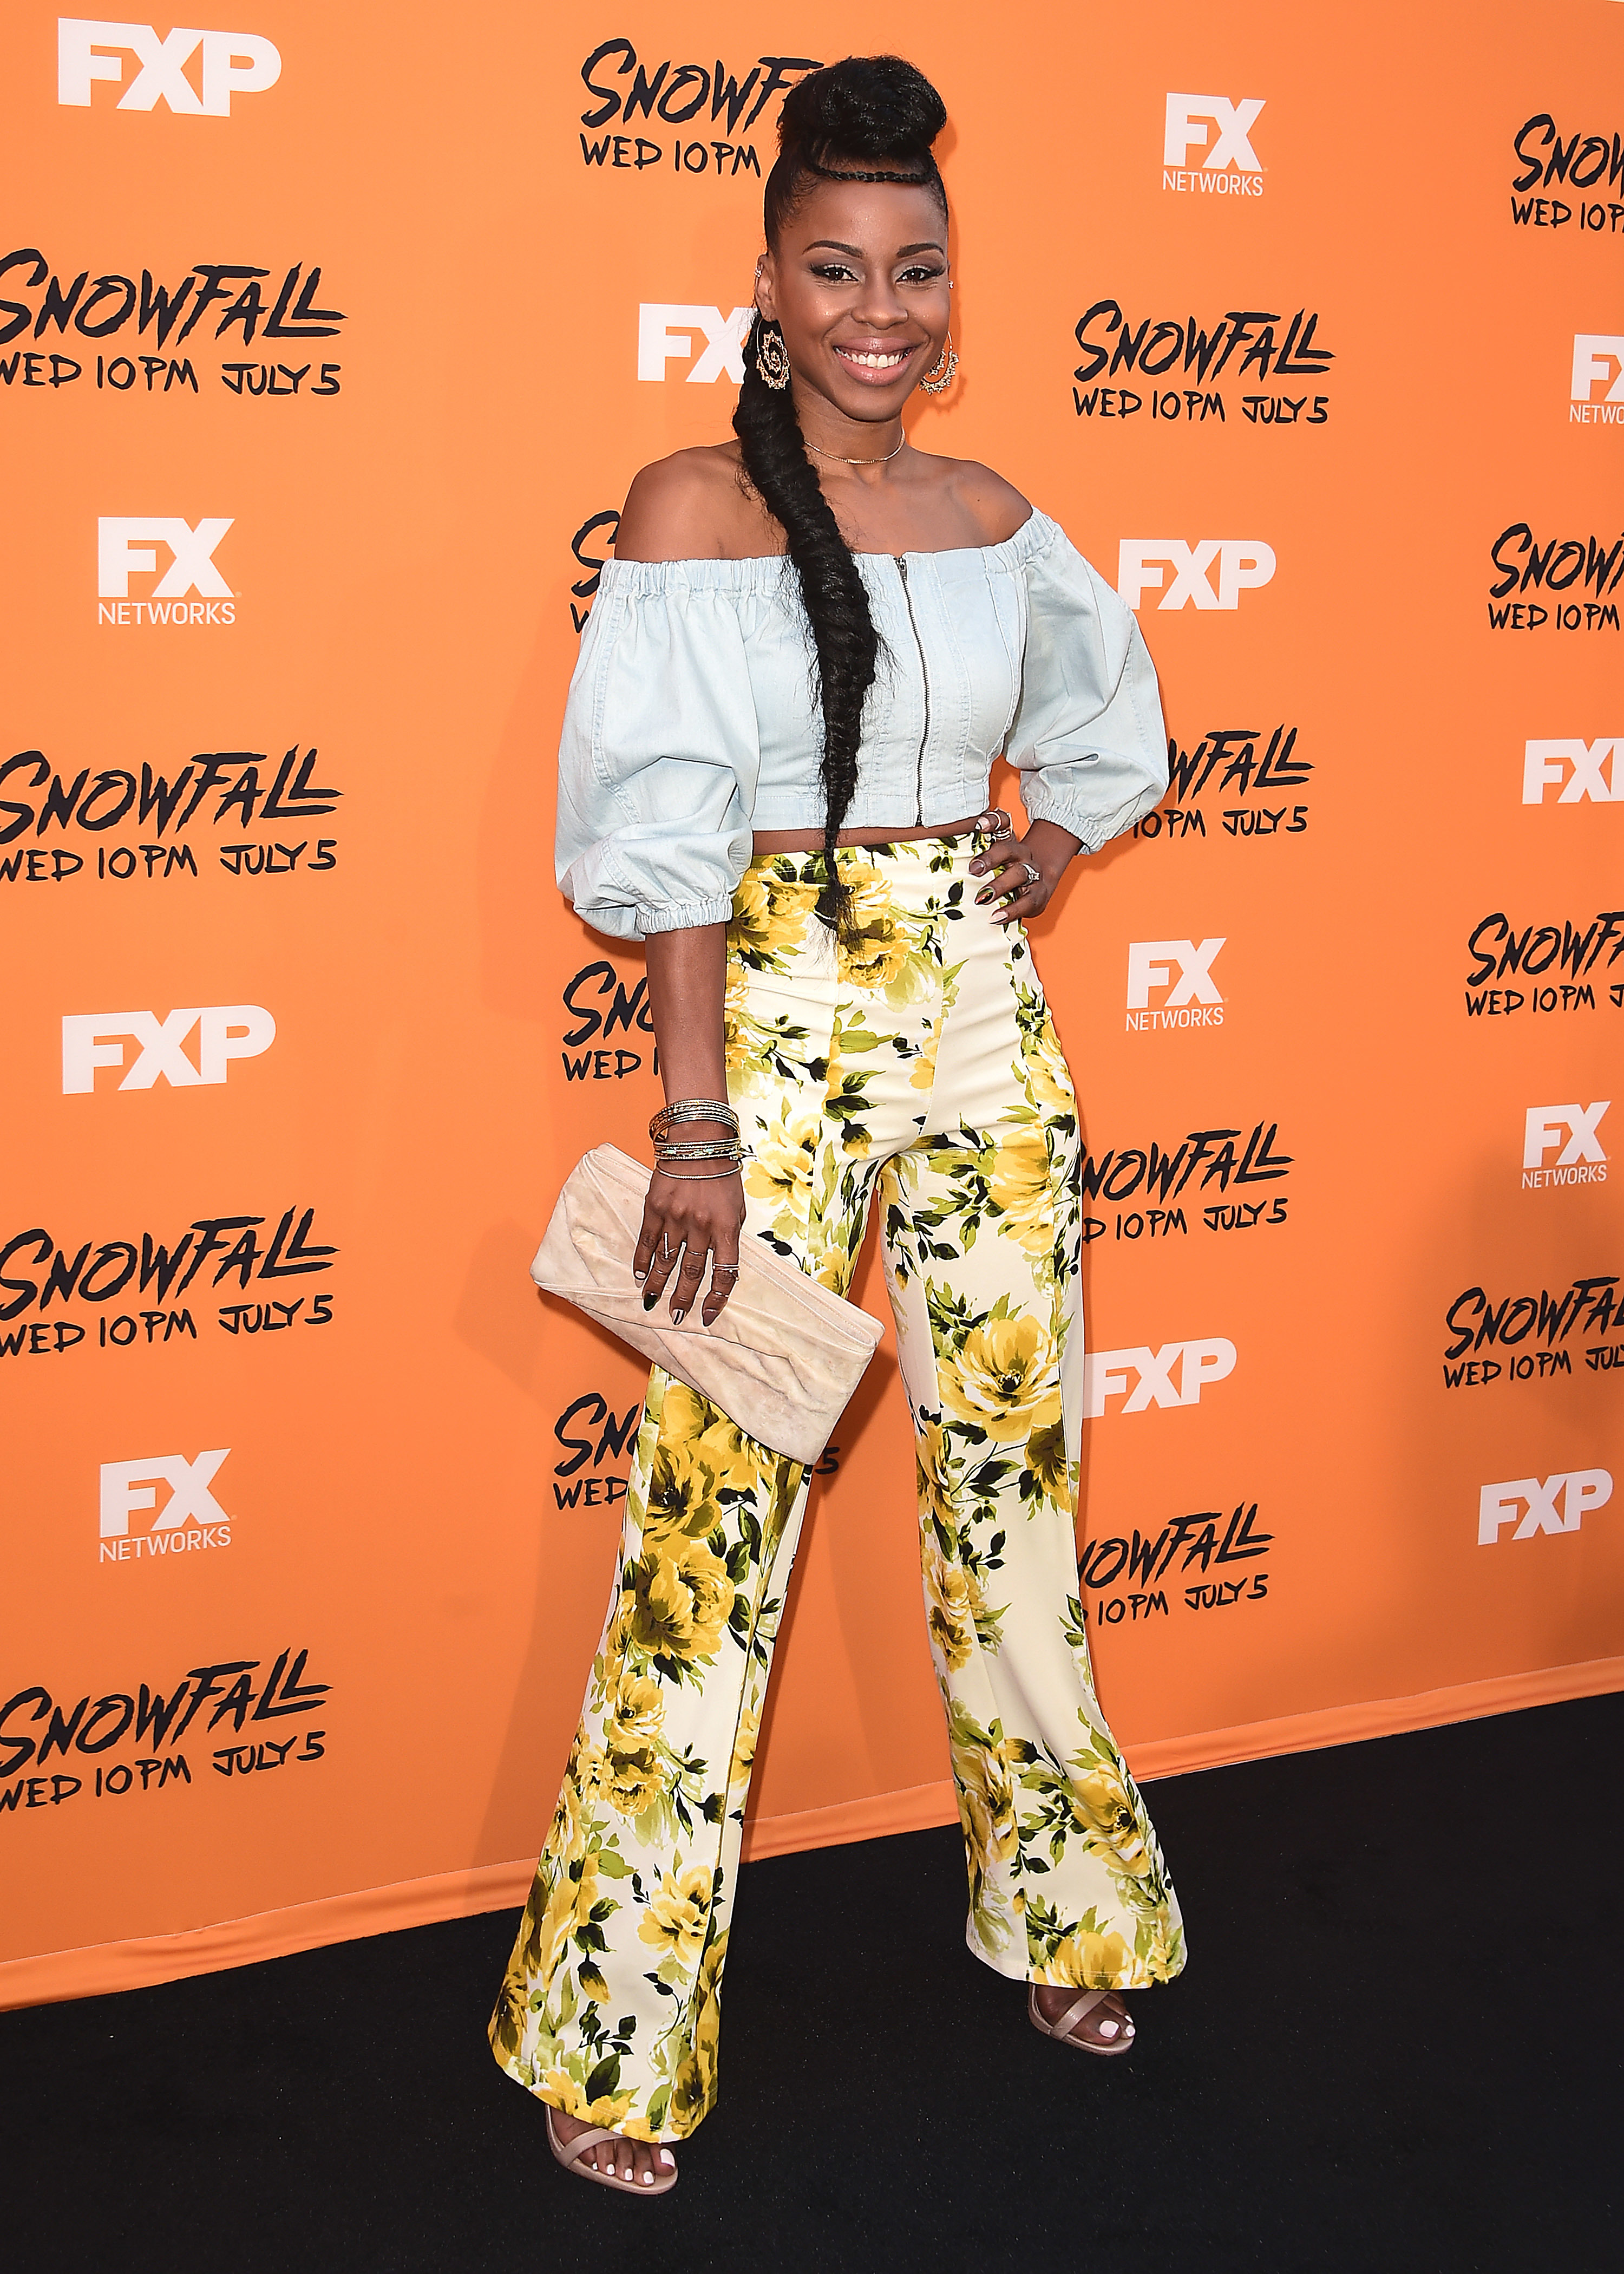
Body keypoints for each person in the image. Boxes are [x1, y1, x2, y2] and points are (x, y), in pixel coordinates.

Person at [491, 54, 1185, 2195]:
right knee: (712, 1529)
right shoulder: (694, 507)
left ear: (951, 285)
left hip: (982, 1025)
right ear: (771, 285)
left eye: (914, 268)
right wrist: (694, 1126)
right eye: (836, 267)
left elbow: (1111, 721)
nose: (879, 310)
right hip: (771, 1030)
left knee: (1017, 1490)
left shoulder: (989, 516)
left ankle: (1064, 1912)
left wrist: (1048, 844)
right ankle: (611, 2022)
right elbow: (665, 848)